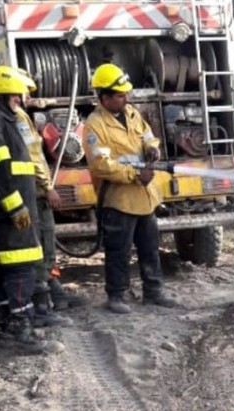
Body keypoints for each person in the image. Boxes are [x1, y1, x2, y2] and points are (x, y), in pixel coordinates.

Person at [0, 65, 63, 353]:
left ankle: (9, 327)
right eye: (16, 94)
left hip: (4, 212)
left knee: (6, 269)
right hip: (5, 215)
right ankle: (20, 331)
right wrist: (16, 208)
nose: (21, 99)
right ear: (1, 93)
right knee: (20, 269)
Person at [83, 63, 177, 314]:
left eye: (126, 93)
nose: (126, 98)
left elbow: (148, 137)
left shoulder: (133, 113)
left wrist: (152, 148)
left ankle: (153, 292)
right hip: (118, 198)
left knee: (149, 247)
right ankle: (117, 295)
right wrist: (135, 175)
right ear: (104, 98)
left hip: (145, 196)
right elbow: (100, 165)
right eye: (120, 95)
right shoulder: (95, 125)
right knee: (118, 250)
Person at [11, 69, 85, 315]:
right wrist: (48, 186)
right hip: (36, 190)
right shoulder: (19, 118)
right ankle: (43, 302)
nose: (26, 95)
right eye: (24, 90)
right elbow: (32, 157)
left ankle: (53, 290)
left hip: (34, 189)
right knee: (42, 239)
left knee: (46, 240)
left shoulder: (20, 115)